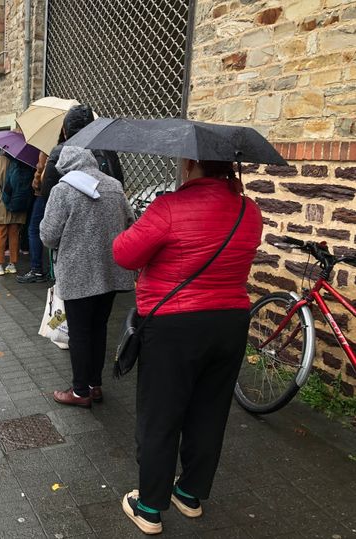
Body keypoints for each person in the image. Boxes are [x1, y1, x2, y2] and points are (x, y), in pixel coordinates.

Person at [112, 159, 262, 535]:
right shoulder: (250, 210)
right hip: (230, 323)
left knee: (161, 415)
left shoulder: (168, 208)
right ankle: (189, 494)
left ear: (192, 163)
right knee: (210, 410)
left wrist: (142, 222)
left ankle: (148, 507)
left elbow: (125, 253)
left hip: (175, 326)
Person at [40, 146, 135, 408]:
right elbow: (131, 223)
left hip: (77, 272)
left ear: (65, 165)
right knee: (98, 328)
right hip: (110, 270)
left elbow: (48, 236)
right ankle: (95, 385)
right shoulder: (114, 186)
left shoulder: (63, 190)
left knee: (79, 332)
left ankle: (80, 391)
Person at [42, 105, 124, 200]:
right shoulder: (107, 151)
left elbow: (48, 190)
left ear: (65, 130)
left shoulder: (60, 151)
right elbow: (119, 183)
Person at [0, 153, 29, 275]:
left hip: (2, 202)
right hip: (17, 201)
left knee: (0, 233)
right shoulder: (23, 160)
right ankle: (12, 264)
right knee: (14, 234)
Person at [17, 151, 49, 283]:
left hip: (43, 194)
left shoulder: (46, 150)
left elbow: (40, 172)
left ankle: (36, 269)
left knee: (34, 229)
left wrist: (35, 179)